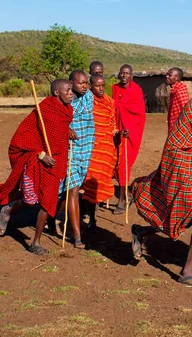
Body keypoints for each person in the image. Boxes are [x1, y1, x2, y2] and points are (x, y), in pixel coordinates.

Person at [130, 68, 192, 287]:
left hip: (191, 165)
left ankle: (142, 232)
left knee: (186, 217)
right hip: (181, 166)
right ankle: (186, 271)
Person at [0, 79, 74, 255]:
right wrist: (42, 155)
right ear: (56, 92)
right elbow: (22, 137)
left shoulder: (67, 111)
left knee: (47, 202)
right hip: (37, 162)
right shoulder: (43, 110)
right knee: (30, 200)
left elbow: (57, 131)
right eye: (67, 90)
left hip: (57, 163)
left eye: (71, 90)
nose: (71, 93)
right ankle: (7, 210)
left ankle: (35, 242)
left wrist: (67, 132)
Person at [81, 75, 127, 231]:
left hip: (105, 149)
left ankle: (92, 217)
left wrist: (120, 134)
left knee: (98, 183)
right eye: (97, 86)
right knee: (88, 184)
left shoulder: (109, 102)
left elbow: (112, 125)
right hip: (89, 147)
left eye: (103, 85)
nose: (101, 89)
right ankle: (90, 216)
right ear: (90, 86)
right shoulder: (86, 102)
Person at [59, 69, 95, 249]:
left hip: (86, 149)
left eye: (86, 82)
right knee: (73, 191)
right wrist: (65, 130)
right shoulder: (64, 100)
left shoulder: (88, 96)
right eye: (81, 83)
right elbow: (55, 121)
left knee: (62, 193)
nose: (85, 85)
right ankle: (77, 236)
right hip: (70, 151)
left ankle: (53, 220)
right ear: (71, 83)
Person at [112, 64, 146, 214]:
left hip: (129, 134)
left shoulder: (136, 91)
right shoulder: (113, 89)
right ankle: (127, 194)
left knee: (123, 165)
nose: (124, 75)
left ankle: (122, 199)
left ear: (131, 76)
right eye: (122, 73)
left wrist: (128, 130)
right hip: (113, 132)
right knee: (112, 163)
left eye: (127, 73)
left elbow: (139, 116)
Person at [166, 67, 189, 132]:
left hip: (180, 127)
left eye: (169, 75)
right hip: (175, 124)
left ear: (177, 78)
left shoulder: (180, 91)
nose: (166, 76)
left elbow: (185, 111)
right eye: (167, 74)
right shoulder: (174, 90)